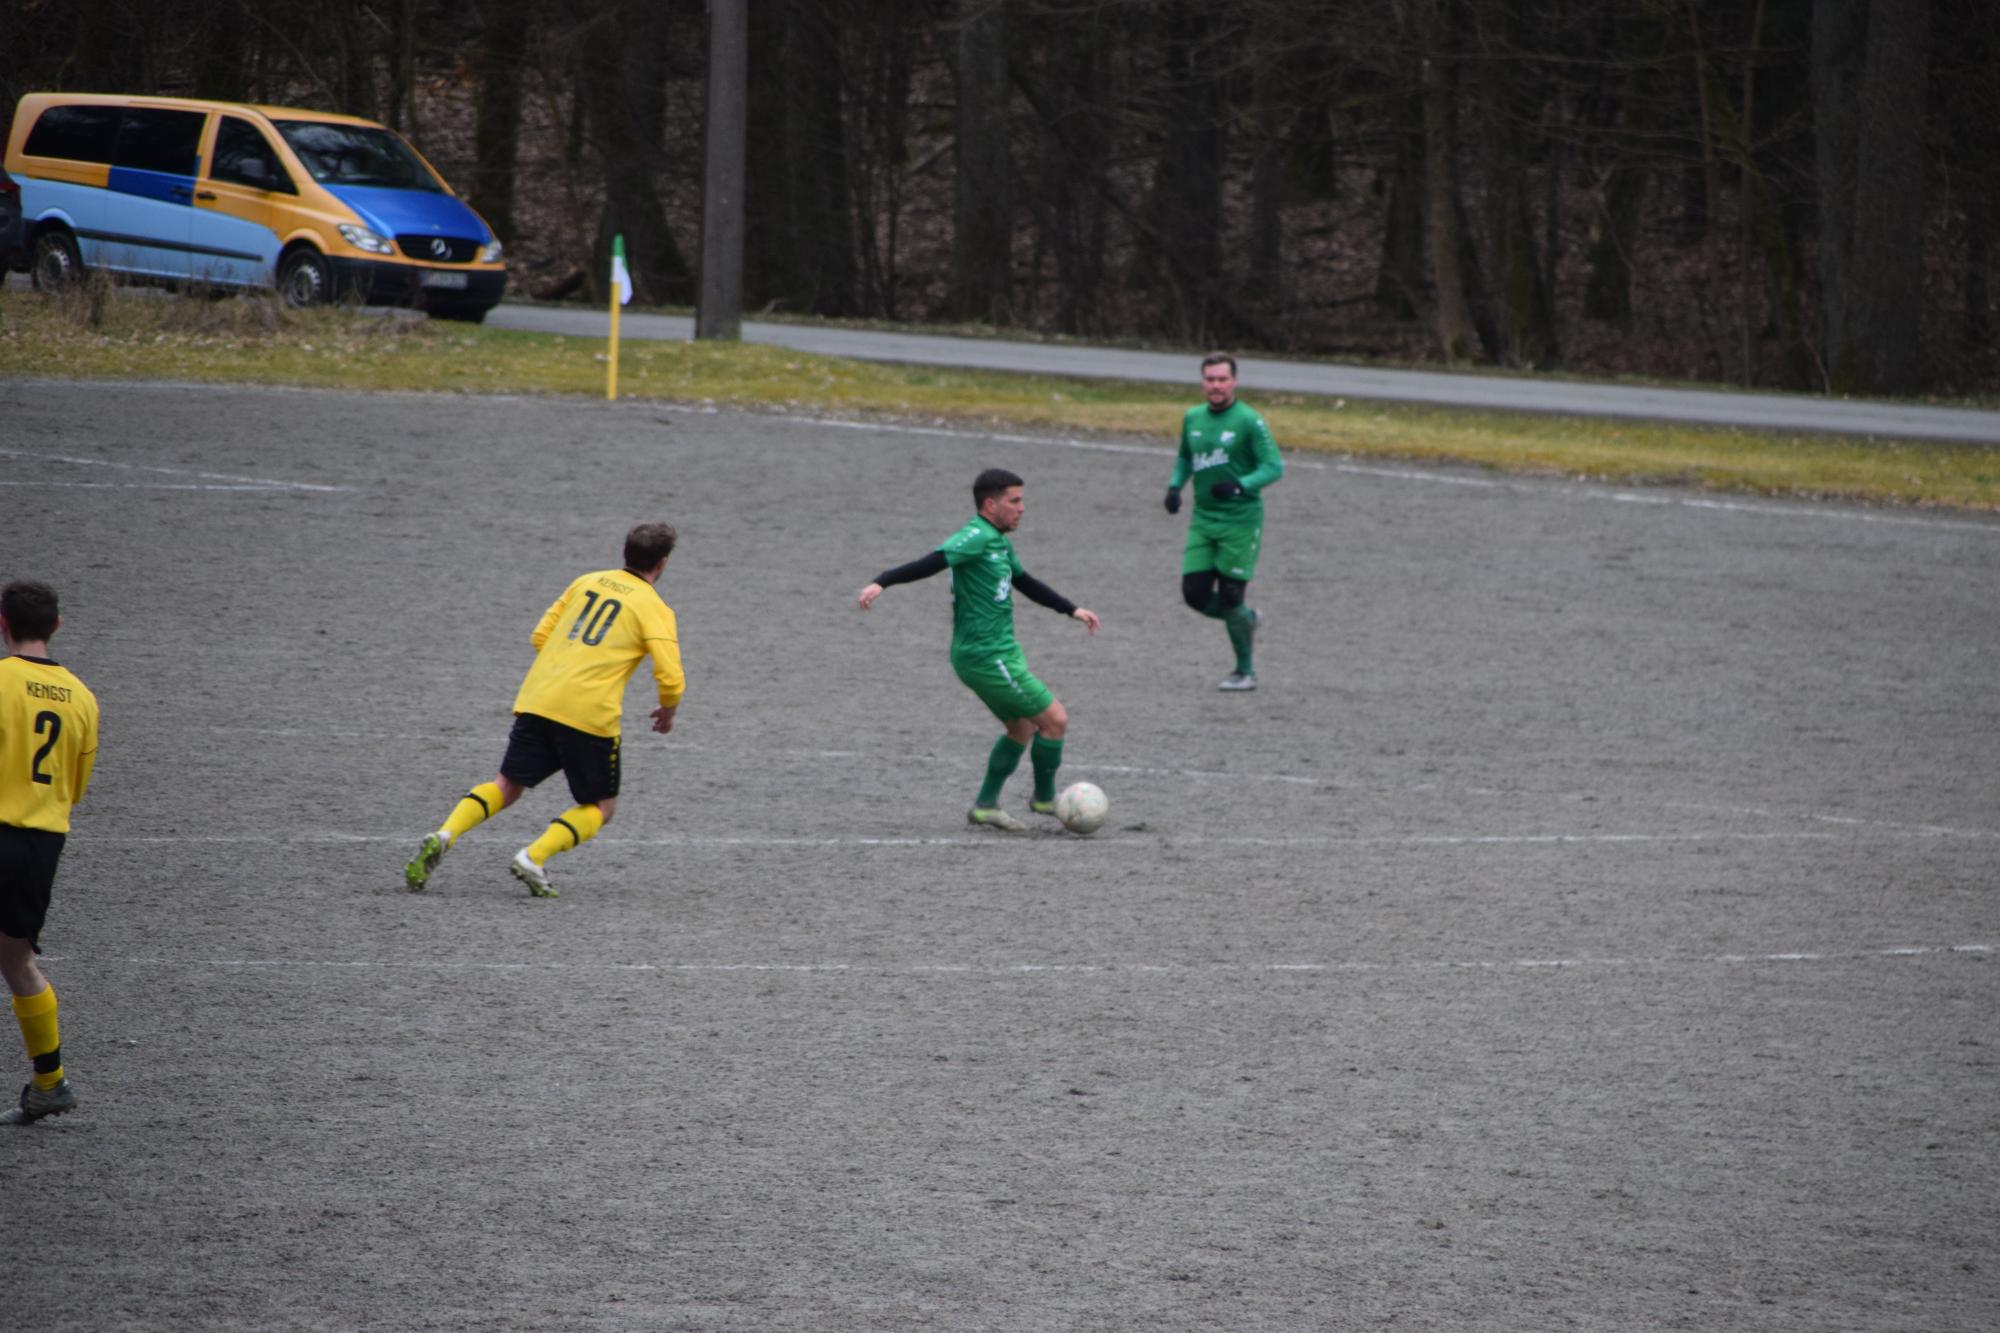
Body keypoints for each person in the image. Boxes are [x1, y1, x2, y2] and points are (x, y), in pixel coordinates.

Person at [404, 523, 685, 898]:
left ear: (625, 552)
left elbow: (541, 635)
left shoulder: (586, 581)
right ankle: (533, 857)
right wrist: (667, 711)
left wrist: (567, 668)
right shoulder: (654, 608)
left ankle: (445, 833)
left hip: (539, 697)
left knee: (506, 785)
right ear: (663, 563)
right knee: (600, 805)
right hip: (589, 714)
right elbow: (671, 676)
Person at [858, 468, 1101, 831]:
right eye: (1014, 501)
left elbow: (1024, 582)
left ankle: (985, 806)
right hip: (986, 656)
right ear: (990, 504)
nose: (1022, 508)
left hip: (1000, 652)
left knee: (1020, 729)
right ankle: (1045, 799)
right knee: (1055, 720)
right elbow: (931, 562)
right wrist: (883, 581)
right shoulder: (973, 537)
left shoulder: (998, 542)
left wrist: (1070, 608)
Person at [0, 580, 99, 1125]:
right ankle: (49, 1082)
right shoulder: (82, 697)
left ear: (3, 623)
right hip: (43, 842)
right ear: (57, 626)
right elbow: (75, 788)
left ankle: (51, 1084)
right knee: (17, 962)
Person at [1164, 352, 1285, 690]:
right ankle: (1246, 620)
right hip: (1203, 520)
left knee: (1231, 596)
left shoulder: (1249, 420)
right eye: (1210, 379)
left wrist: (1240, 485)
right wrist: (1175, 486)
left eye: (1222, 379)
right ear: (1202, 381)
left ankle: (1245, 672)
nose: (1215, 386)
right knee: (1194, 594)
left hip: (1240, 521)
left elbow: (1274, 466)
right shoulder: (1193, 417)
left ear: (1234, 381)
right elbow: (1186, 457)